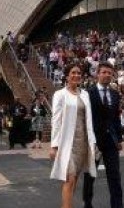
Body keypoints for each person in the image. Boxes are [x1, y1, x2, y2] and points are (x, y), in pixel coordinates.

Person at [50, 63, 97, 208]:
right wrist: (54, 145)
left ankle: (66, 205)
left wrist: (92, 142)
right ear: (67, 75)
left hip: (82, 142)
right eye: (73, 72)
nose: (76, 75)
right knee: (69, 178)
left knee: (75, 178)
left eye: (79, 73)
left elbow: (89, 120)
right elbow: (56, 120)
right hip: (66, 143)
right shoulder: (60, 95)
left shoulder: (85, 94)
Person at [83, 61, 124, 208]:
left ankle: (117, 205)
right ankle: (87, 203)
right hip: (94, 142)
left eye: (109, 73)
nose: (107, 75)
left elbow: (116, 118)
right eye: (104, 72)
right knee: (90, 176)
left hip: (111, 142)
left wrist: (119, 139)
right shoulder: (87, 94)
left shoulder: (115, 94)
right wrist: (88, 140)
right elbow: (85, 119)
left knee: (115, 177)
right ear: (97, 74)